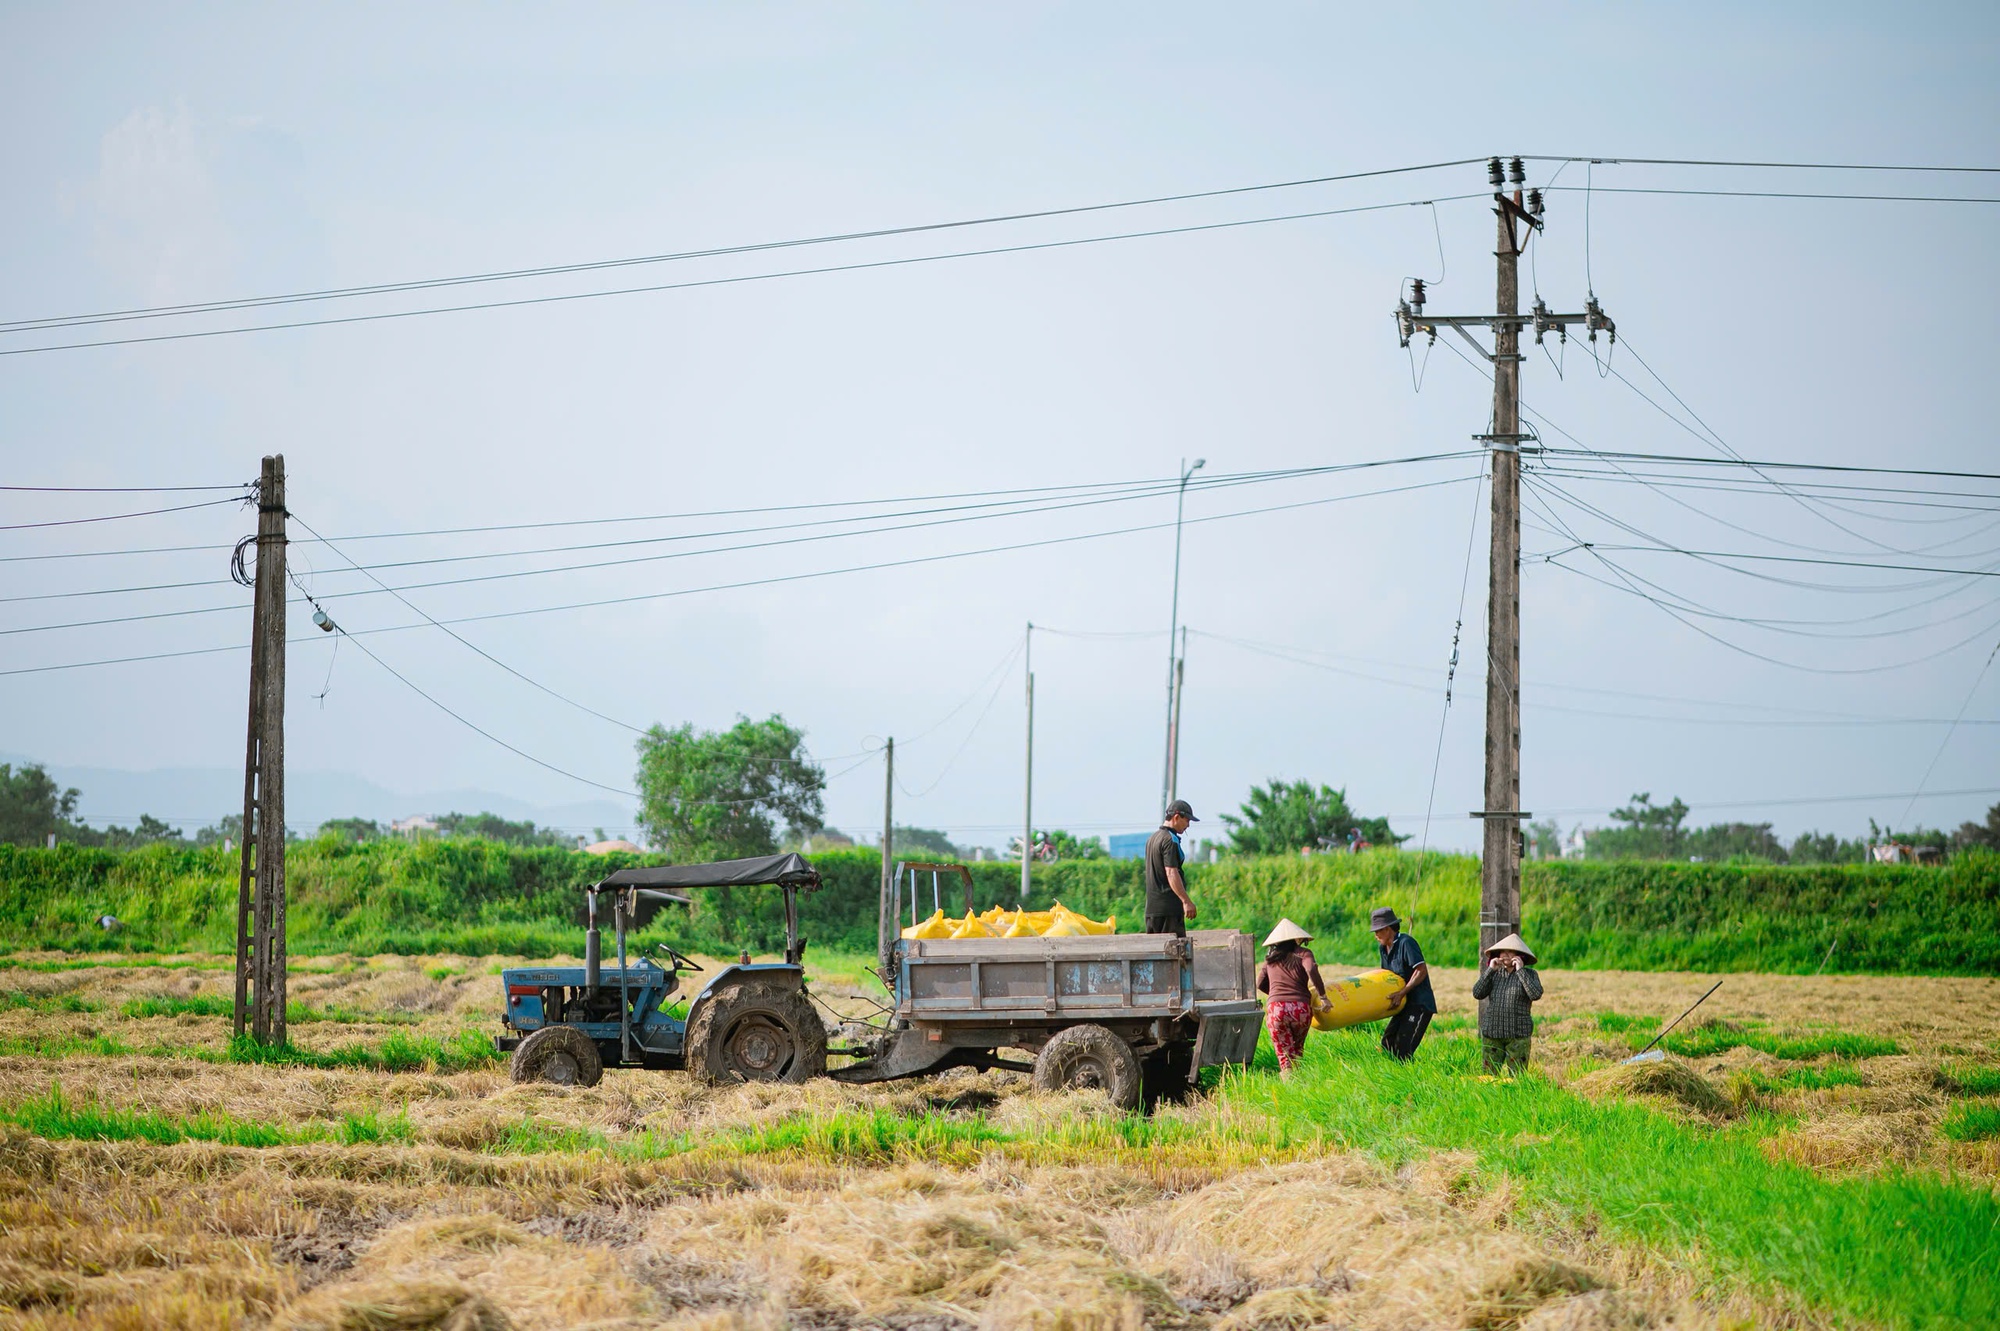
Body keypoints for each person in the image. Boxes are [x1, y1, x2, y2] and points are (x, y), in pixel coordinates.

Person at [1256, 918, 1327, 1077]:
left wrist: (1276, 996)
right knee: (1297, 1051)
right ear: (1297, 938)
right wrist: (1323, 996)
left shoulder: (1270, 959)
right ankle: (1298, 1083)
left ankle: (1289, 1083)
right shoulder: (1304, 953)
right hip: (1300, 1009)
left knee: (1284, 1055)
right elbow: (1311, 969)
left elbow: (1259, 983)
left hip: (1277, 1010)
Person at [1471, 933, 1542, 1074]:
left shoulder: (1530, 974)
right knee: (1489, 1076)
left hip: (1518, 1034)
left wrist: (1520, 971)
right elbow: (1477, 993)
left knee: (1517, 1076)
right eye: (1502, 952)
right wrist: (1490, 970)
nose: (1505, 955)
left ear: (1519, 955)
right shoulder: (1494, 974)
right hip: (1493, 1033)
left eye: (1510, 951)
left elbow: (1535, 994)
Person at [1371, 906, 1433, 1060]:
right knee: (1387, 1043)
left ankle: (1408, 1073)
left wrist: (1402, 992)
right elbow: (1386, 976)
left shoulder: (1406, 943)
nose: (1376, 935)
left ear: (1388, 929)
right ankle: (1391, 1071)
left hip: (1418, 1003)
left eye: (1378, 931)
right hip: (1403, 1003)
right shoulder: (1383, 948)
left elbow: (1421, 970)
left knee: (1403, 1048)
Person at [1143, 800, 1200, 936]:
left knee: (1154, 949)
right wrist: (1186, 901)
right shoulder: (1170, 840)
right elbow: (1171, 872)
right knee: (1176, 949)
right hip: (1169, 910)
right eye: (1187, 820)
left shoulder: (1152, 839)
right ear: (1176, 817)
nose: (1188, 825)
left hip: (1152, 910)